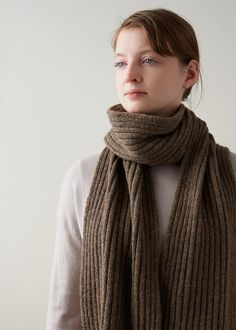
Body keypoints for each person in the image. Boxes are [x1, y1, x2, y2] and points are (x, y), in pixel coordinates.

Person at [46, 8, 236, 330]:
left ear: (189, 74)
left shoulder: (229, 172)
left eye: (148, 60)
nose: (130, 74)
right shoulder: (84, 177)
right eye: (120, 62)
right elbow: (65, 306)